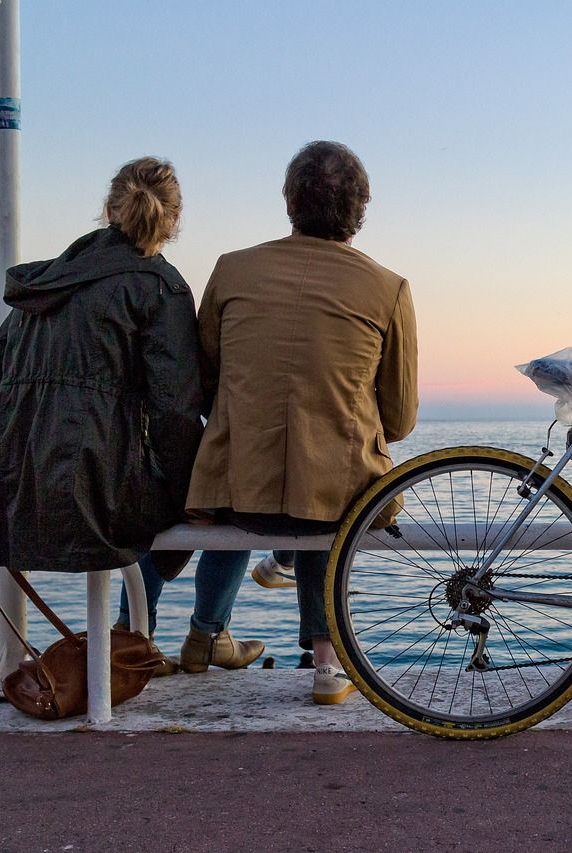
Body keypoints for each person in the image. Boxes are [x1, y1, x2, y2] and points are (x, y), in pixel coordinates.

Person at [143, 141, 418, 699]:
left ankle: (172, 633)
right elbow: (399, 416)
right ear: (360, 209)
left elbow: (205, 378)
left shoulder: (232, 269)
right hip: (333, 501)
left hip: (233, 491)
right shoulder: (388, 288)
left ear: (289, 201)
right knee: (331, 492)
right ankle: (327, 665)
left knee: (278, 487)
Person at [0, 158, 203, 666]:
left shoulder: (46, 282)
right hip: (98, 495)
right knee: (224, 502)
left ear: (108, 209)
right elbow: (175, 415)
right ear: (174, 220)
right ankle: (185, 632)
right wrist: (193, 497)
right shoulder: (161, 288)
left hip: (13, 489)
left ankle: (134, 635)